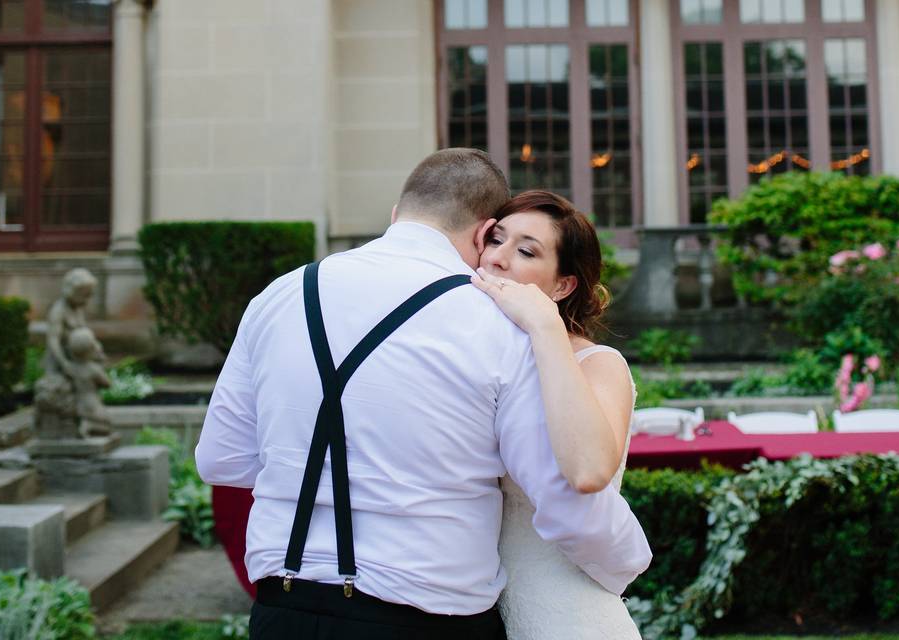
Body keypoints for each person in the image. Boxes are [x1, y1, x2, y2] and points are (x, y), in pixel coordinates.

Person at [195, 148, 651, 640]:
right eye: (499, 240)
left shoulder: (279, 295)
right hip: (424, 615)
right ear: (482, 234)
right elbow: (564, 498)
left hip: (284, 609)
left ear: (397, 216)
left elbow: (222, 460)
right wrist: (631, 563)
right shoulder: (496, 327)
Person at [471, 190, 641, 639]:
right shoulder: (476, 357)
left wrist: (544, 325)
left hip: (566, 615)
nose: (498, 259)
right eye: (495, 239)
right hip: (475, 610)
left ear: (562, 285)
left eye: (526, 250)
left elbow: (588, 470)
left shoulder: (598, 364)